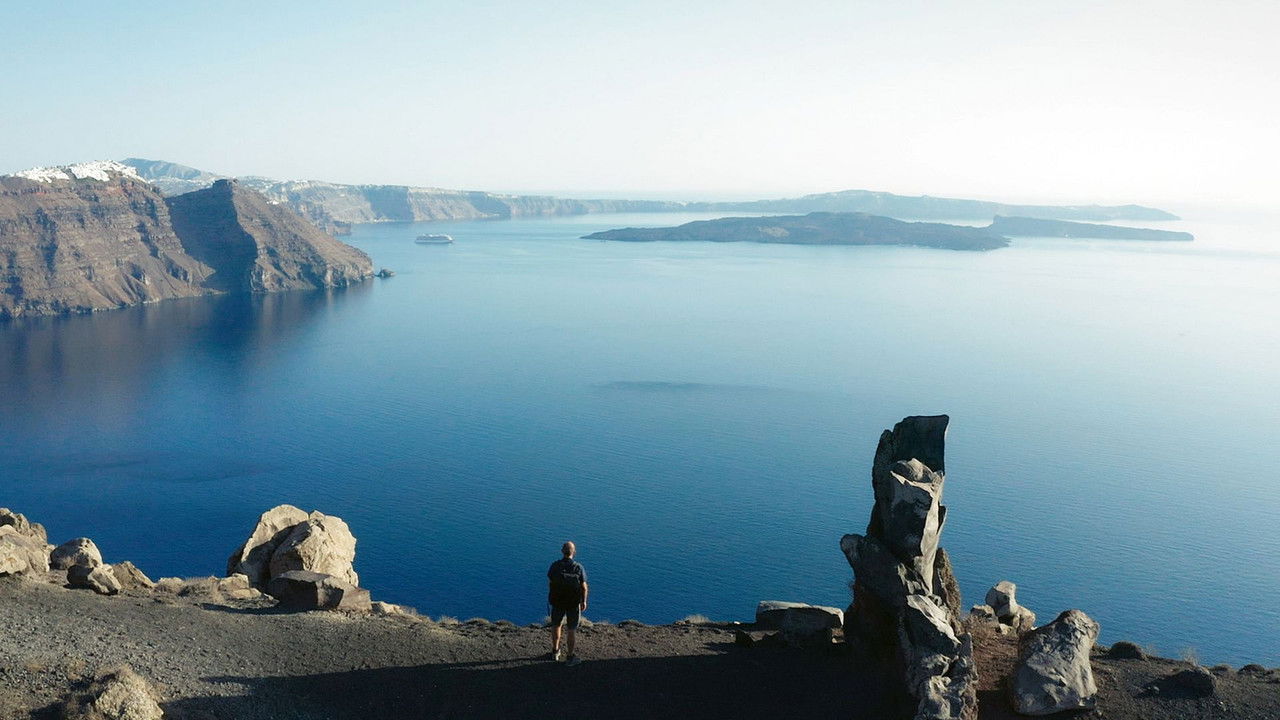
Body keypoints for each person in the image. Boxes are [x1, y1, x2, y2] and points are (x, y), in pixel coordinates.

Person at [546, 540, 588, 666]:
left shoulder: (555, 566)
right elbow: (584, 587)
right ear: (574, 552)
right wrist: (584, 601)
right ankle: (570, 657)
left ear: (562, 552)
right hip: (573, 603)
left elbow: (550, 581)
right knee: (571, 629)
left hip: (557, 601)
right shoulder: (578, 567)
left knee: (556, 625)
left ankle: (555, 651)